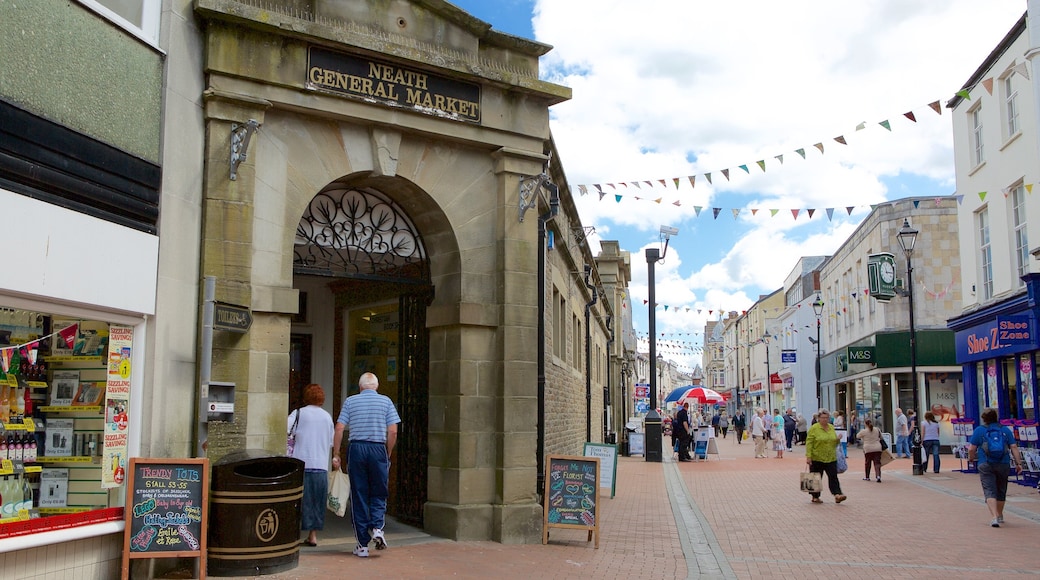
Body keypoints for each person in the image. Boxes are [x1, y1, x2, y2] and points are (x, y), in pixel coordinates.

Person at [333, 372, 402, 557]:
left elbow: (339, 428)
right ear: (376, 387)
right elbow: (393, 432)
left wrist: (336, 453)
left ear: (360, 386)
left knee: (359, 495)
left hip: (357, 449)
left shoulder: (350, 401)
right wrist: (387, 453)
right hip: (378, 448)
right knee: (379, 490)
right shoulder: (386, 402)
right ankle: (378, 527)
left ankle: (362, 544)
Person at [289, 384, 335, 547]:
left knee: (298, 501)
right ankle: (313, 535)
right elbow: (330, 441)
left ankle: (294, 534)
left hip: (301, 462)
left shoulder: (299, 413)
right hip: (321, 465)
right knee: (317, 501)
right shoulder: (327, 417)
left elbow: (286, 432)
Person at [968, 407, 1024, 527]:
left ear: (984, 419)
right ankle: (1000, 514)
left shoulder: (979, 430)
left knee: (989, 490)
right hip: (1003, 463)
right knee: (1001, 490)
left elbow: (972, 448)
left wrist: (971, 458)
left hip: (985, 463)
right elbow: (1013, 447)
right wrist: (1019, 463)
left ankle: (994, 517)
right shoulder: (1005, 430)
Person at [805, 408, 846, 504]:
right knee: (816, 477)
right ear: (819, 418)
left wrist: (838, 439)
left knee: (833, 476)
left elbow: (833, 441)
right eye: (823, 417)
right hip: (817, 457)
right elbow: (809, 442)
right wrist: (808, 456)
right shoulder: (814, 428)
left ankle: (837, 494)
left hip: (831, 457)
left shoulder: (831, 427)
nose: (825, 419)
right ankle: (815, 496)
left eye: (827, 418)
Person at [857, 418, 883, 482]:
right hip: (877, 448)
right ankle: (878, 476)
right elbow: (881, 437)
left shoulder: (864, 431)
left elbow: (857, 436)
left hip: (868, 449)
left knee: (868, 463)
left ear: (865, 424)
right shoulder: (877, 429)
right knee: (877, 463)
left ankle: (867, 477)